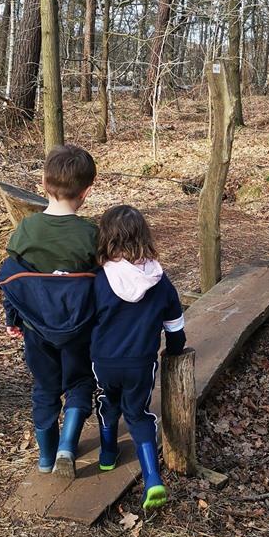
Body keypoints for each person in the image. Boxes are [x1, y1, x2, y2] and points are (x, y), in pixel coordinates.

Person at [0, 144, 98, 478]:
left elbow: (12, 278)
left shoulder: (26, 230)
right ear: (86, 192)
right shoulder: (90, 235)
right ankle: (69, 445)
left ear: (43, 183)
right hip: (79, 328)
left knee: (44, 387)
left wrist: (13, 319)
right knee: (80, 381)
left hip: (36, 329)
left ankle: (46, 457)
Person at [92, 204, 186, 511]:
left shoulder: (98, 279)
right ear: (143, 236)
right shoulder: (159, 280)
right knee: (137, 414)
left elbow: (86, 319)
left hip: (104, 361)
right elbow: (174, 321)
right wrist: (175, 348)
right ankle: (152, 479)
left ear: (105, 237)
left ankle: (107, 455)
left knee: (108, 402)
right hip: (141, 363)